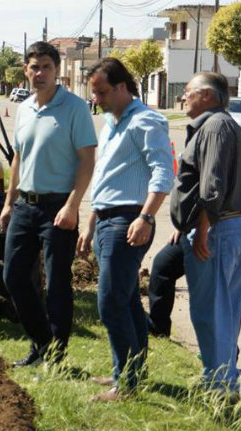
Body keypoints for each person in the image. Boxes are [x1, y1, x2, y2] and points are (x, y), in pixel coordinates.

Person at [77, 58, 174, 402]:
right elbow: (107, 178)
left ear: (122, 87)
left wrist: (146, 218)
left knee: (109, 303)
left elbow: (163, 173)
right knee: (128, 299)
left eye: (102, 92)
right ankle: (130, 371)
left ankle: (127, 384)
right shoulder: (112, 122)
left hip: (128, 221)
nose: (97, 99)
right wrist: (90, 222)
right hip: (108, 220)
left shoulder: (146, 120)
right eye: (94, 93)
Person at [1, 41, 97, 367]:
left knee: (57, 283)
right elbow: (18, 157)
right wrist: (8, 202)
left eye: (46, 67)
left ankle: (55, 356)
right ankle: (42, 343)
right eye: (34, 67)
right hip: (25, 207)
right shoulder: (25, 108)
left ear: (57, 71)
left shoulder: (74, 108)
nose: (39, 73)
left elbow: (87, 159)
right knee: (13, 277)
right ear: (25, 70)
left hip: (58, 207)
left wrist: (73, 205)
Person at [170, 72, 241, 398]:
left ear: (207, 95)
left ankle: (218, 390)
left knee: (210, 314)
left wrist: (203, 227)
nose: (183, 98)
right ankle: (225, 386)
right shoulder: (226, 126)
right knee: (226, 315)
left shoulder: (215, 127)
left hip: (218, 230)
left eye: (188, 92)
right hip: (233, 227)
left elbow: (212, 184)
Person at [147, 153, 241, 338]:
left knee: (222, 295)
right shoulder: (209, 155)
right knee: (163, 265)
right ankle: (158, 330)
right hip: (196, 231)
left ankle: (227, 354)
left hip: (233, 236)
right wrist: (184, 226)